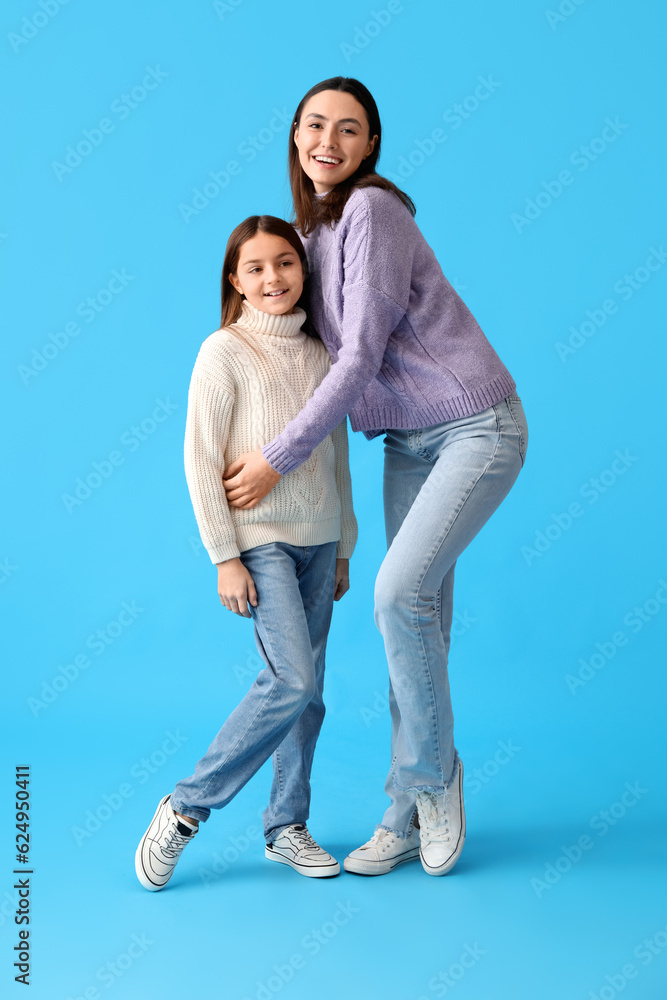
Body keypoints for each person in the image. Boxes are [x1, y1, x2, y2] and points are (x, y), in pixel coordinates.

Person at [222, 78, 528, 878]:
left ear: (368, 148)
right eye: (315, 124)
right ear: (294, 136)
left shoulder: (372, 212)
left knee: (399, 598)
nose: (330, 139)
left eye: (349, 130)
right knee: (416, 623)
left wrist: (274, 459)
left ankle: (433, 780)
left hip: (474, 427)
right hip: (406, 443)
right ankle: (403, 811)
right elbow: (285, 343)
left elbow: (355, 356)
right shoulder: (305, 233)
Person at [134, 215, 357, 890]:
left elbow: (336, 455)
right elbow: (200, 460)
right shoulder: (222, 351)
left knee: (308, 695)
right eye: (255, 267)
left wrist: (344, 545)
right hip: (259, 541)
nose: (272, 278)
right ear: (234, 280)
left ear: (304, 271)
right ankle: (185, 806)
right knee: (290, 679)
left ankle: (286, 827)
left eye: (285, 263)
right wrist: (223, 556)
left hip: (319, 540)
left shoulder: (322, 354)